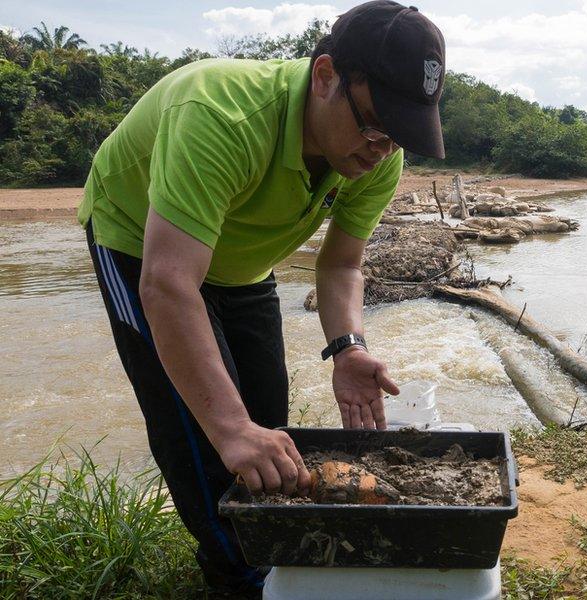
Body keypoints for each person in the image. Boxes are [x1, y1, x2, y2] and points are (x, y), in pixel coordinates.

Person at [76, 1, 446, 595]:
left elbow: (342, 264)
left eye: (400, 135)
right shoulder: (220, 113)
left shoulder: (377, 155)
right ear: (324, 76)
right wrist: (227, 428)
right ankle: (241, 577)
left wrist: (348, 347)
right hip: (140, 243)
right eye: (376, 124)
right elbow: (168, 285)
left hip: (242, 261)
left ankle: (277, 557)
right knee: (207, 431)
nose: (384, 148)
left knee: (269, 428)